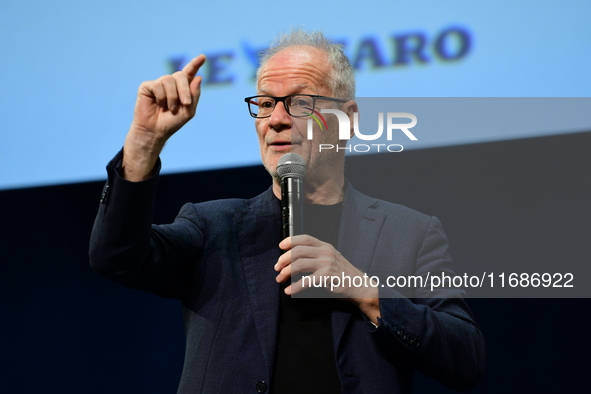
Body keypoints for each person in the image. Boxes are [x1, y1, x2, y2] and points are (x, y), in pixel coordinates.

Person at [90, 30, 485, 393]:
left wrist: (367, 293)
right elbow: (116, 256)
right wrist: (143, 142)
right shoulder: (212, 226)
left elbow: (465, 357)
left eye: (299, 103)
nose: (276, 119)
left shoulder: (409, 232)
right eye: (264, 103)